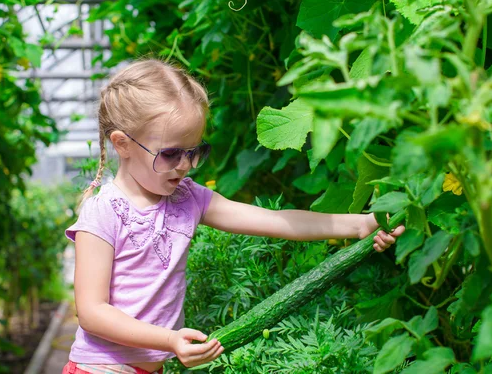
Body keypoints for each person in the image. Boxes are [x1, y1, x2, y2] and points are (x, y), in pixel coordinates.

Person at [61, 59, 406, 374]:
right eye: (170, 154)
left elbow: (276, 221)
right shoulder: (103, 211)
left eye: (195, 151)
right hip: (99, 368)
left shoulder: (188, 198)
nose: (185, 165)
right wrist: (169, 340)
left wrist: (360, 224)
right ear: (122, 143)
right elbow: (92, 312)